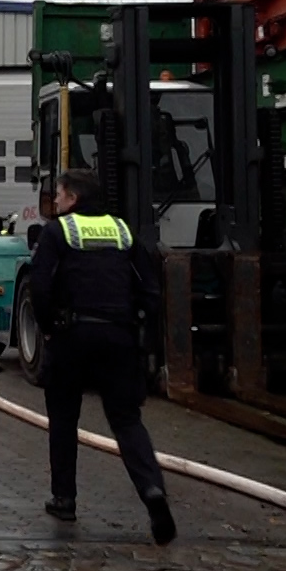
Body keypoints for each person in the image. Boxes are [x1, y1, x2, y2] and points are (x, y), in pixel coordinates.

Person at [27, 168, 176, 545]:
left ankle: (65, 499)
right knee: (127, 420)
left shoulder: (58, 232)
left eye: (59, 195)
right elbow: (151, 288)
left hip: (70, 336)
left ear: (73, 198)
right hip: (118, 337)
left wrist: (46, 326)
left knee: (63, 418)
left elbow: (40, 286)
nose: (55, 202)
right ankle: (152, 491)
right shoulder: (123, 231)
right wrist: (138, 326)